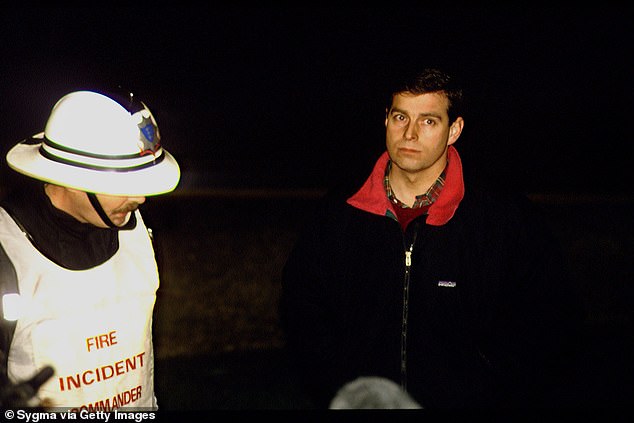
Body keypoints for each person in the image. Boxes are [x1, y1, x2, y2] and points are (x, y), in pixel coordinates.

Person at [280, 67, 584, 409]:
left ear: (454, 129)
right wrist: (342, 390)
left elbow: (546, 319)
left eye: (428, 121)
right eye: (400, 117)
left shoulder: (502, 219)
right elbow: (302, 309)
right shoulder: (339, 213)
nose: (409, 134)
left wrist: (489, 390)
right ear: (385, 119)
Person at [0, 89, 180, 411]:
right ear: (70, 177)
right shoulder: (6, 251)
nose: (140, 199)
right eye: (126, 182)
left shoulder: (140, 231)